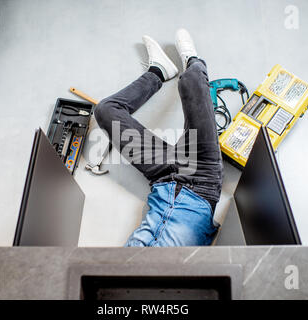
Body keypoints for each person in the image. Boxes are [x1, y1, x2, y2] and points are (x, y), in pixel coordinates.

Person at [94, 29, 223, 247]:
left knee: (106, 110)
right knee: (191, 80)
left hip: (162, 176)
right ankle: (191, 59)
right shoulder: (180, 275)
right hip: (202, 178)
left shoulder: (121, 268)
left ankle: (158, 71)